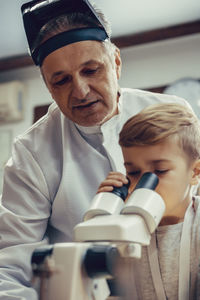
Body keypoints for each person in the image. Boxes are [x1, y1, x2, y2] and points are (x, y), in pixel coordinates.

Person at [0, 0, 191, 299]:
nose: (80, 91)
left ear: (116, 61)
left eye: (91, 70)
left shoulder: (172, 112)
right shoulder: (32, 152)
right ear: (48, 87)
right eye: (61, 81)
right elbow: (11, 267)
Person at [97, 102, 200, 299]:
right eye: (133, 173)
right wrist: (103, 222)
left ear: (195, 172)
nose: (143, 185)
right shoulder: (125, 230)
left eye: (159, 171)